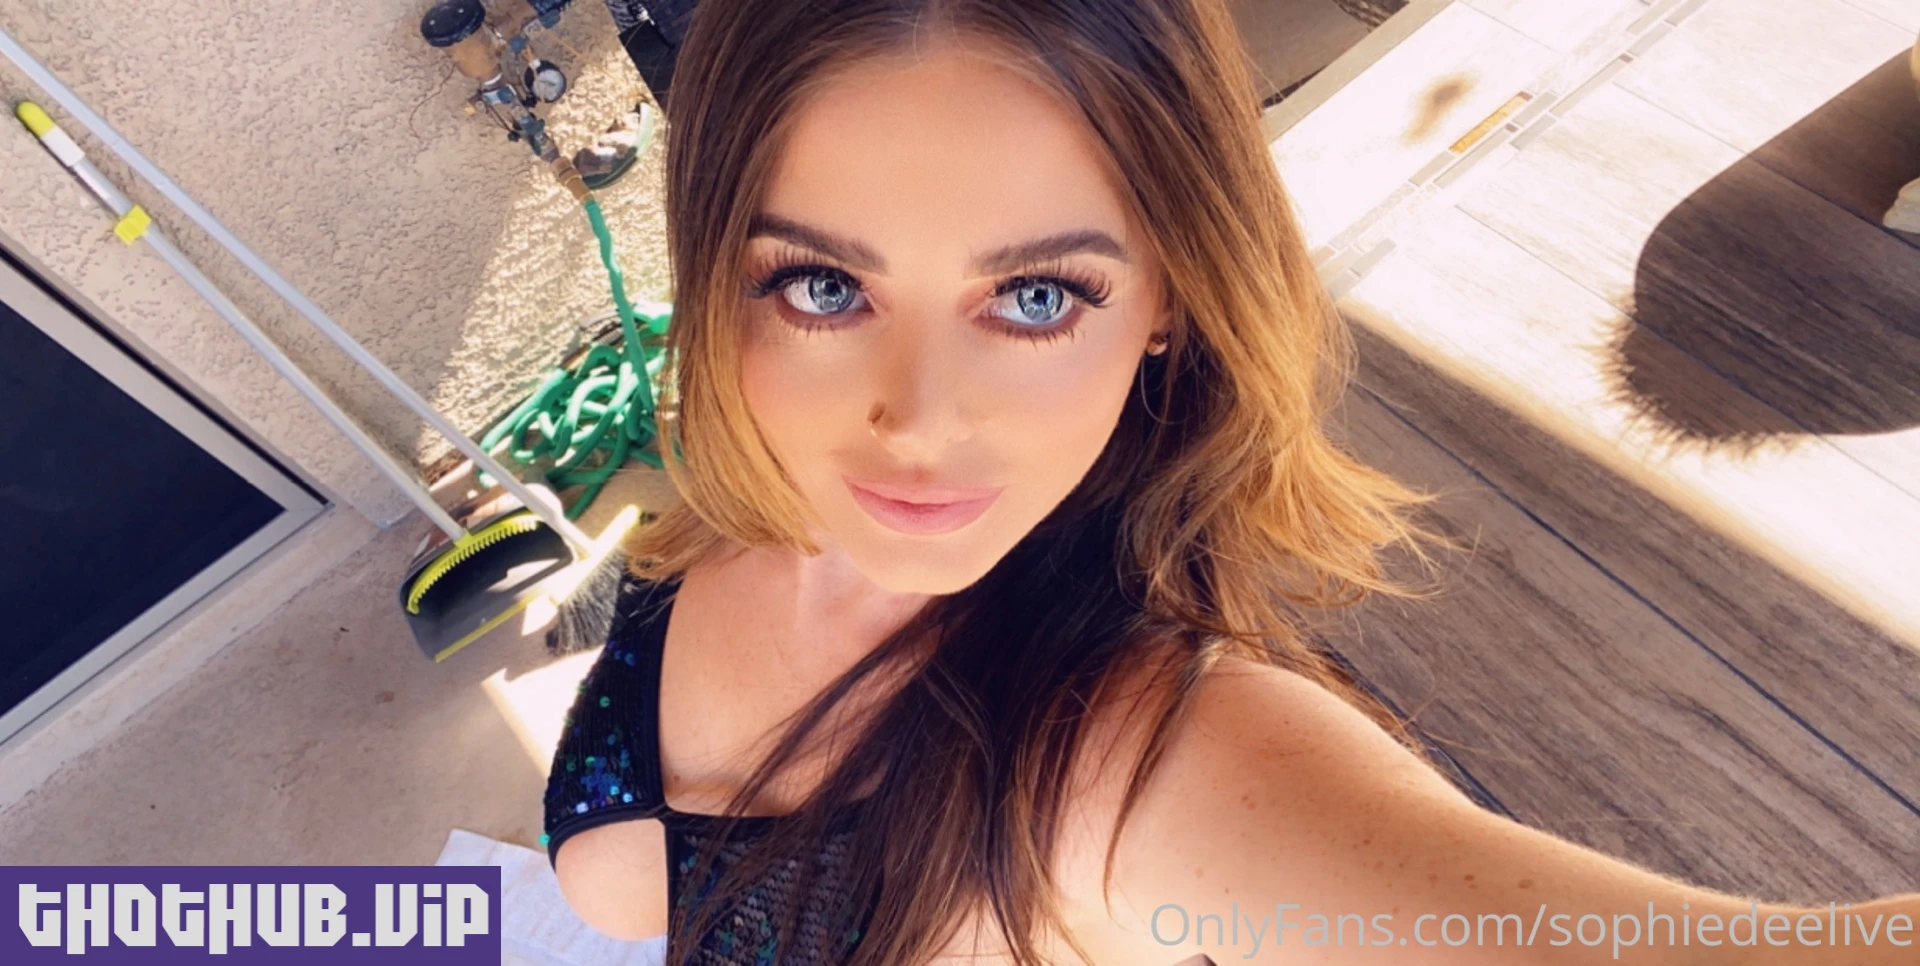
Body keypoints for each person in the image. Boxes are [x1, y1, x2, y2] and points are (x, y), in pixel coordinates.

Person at [541, 1, 1920, 963]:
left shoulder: (1138, 767)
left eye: (1036, 295)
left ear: (1168, 300)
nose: (917, 421)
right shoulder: (747, 491)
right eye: (823, 285)